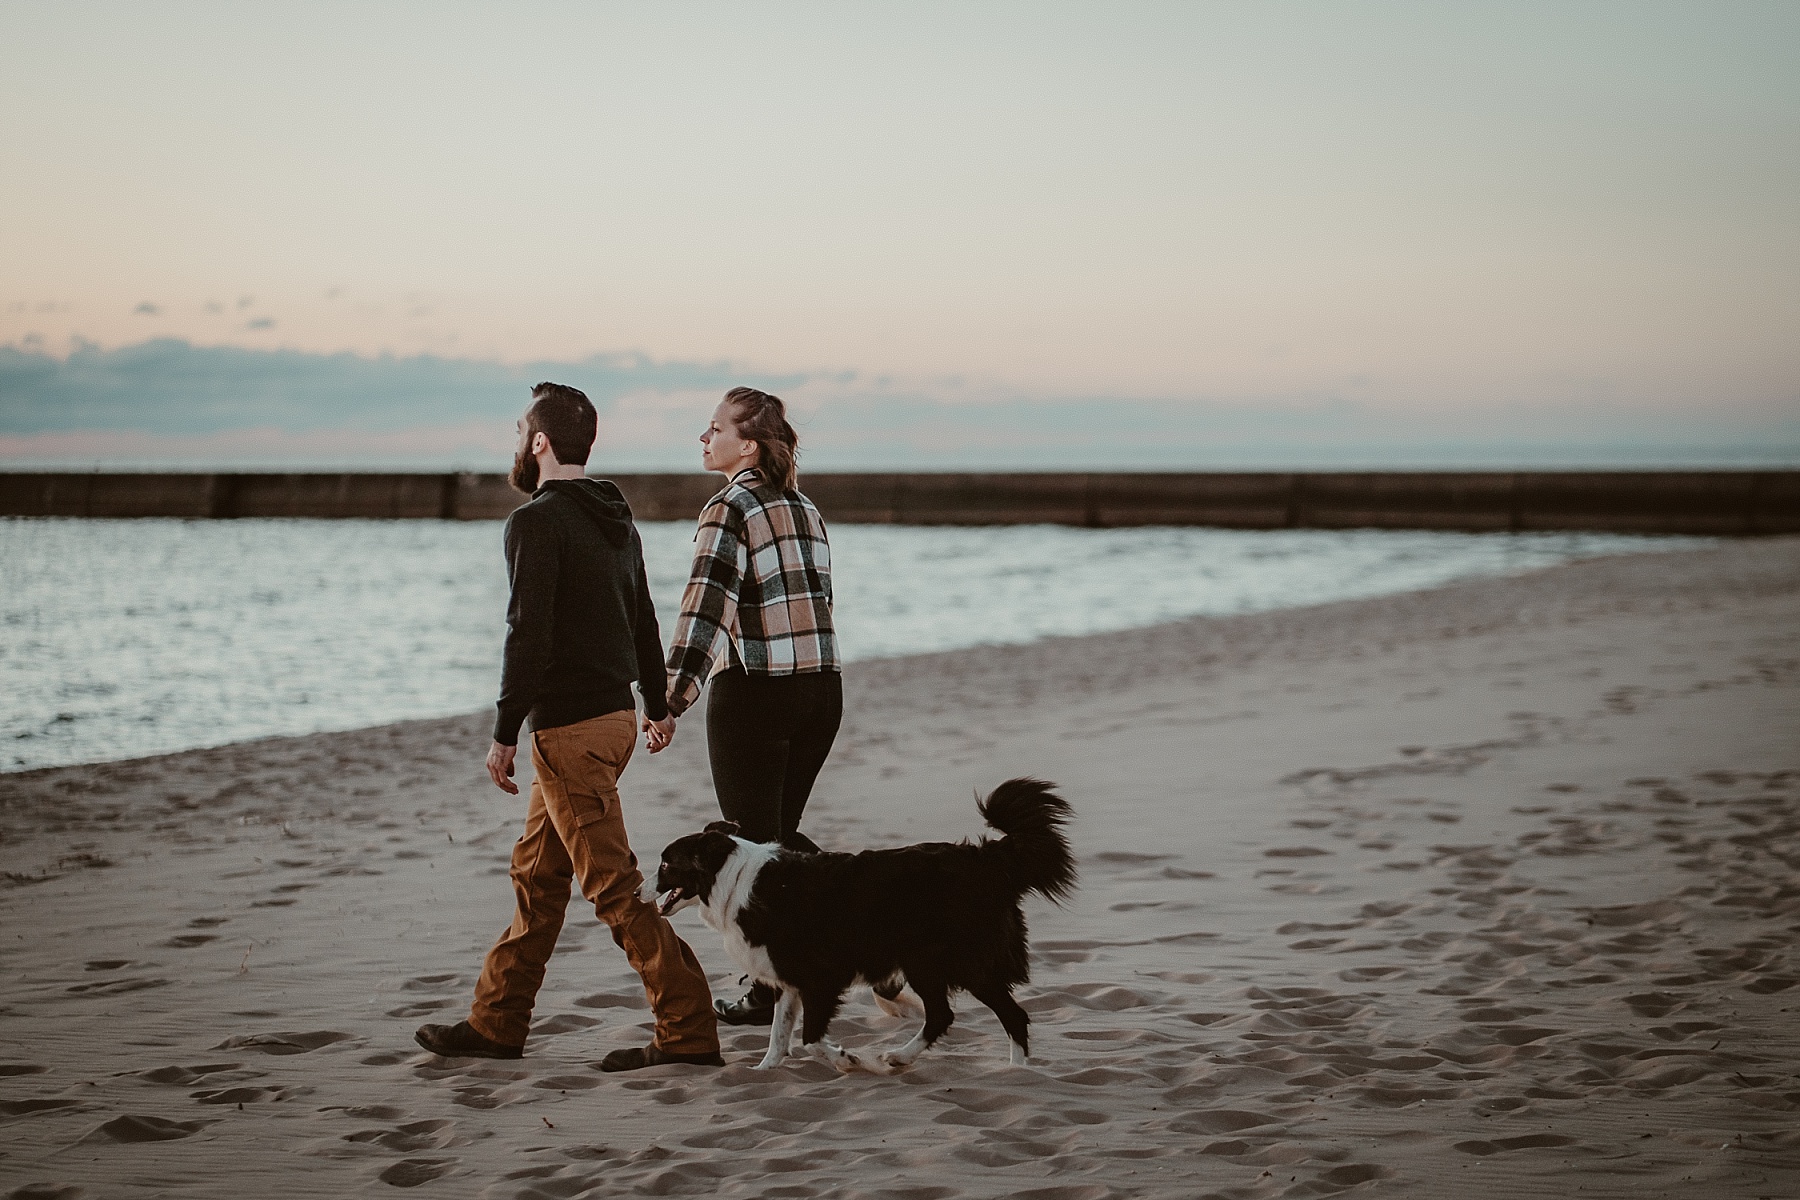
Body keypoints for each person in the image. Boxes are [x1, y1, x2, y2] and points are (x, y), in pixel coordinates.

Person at [414, 382, 721, 1071]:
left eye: (521, 428)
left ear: (540, 442)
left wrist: (503, 732)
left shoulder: (535, 522)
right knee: (537, 877)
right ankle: (496, 1022)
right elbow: (642, 615)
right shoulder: (616, 517)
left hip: (571, 733)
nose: (518, 440)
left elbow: (529, 634)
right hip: (609, 722)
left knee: (613, 888)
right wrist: (657, 706)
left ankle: (689, 1030)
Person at [662, 387, 844, 1026]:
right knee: (776, 839)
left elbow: (705, 611)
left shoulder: (729, 508)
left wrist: (671, 699)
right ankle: (810, 956)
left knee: (754, 842)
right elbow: (819, 604)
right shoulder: (806, 508)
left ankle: (793, 965)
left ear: (747, 444)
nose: (702, 439)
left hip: (759, 695)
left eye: (713, 428)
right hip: (822, 692)